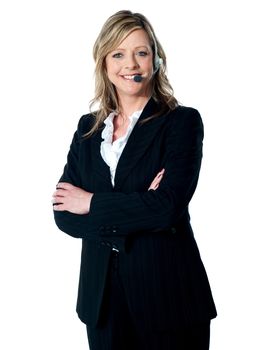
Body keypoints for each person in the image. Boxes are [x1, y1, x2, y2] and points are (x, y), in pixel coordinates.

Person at [52, 10, 217, 350]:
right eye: (119, 53)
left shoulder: (181, 123)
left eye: (141, 52)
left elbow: (167, 207)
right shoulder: (88, 129)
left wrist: (92, 203)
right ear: (104, 61)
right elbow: (63, 213)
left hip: (169, 297)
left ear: (156, 59)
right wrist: (139, 204)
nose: (131, 64)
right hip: (102, 302)